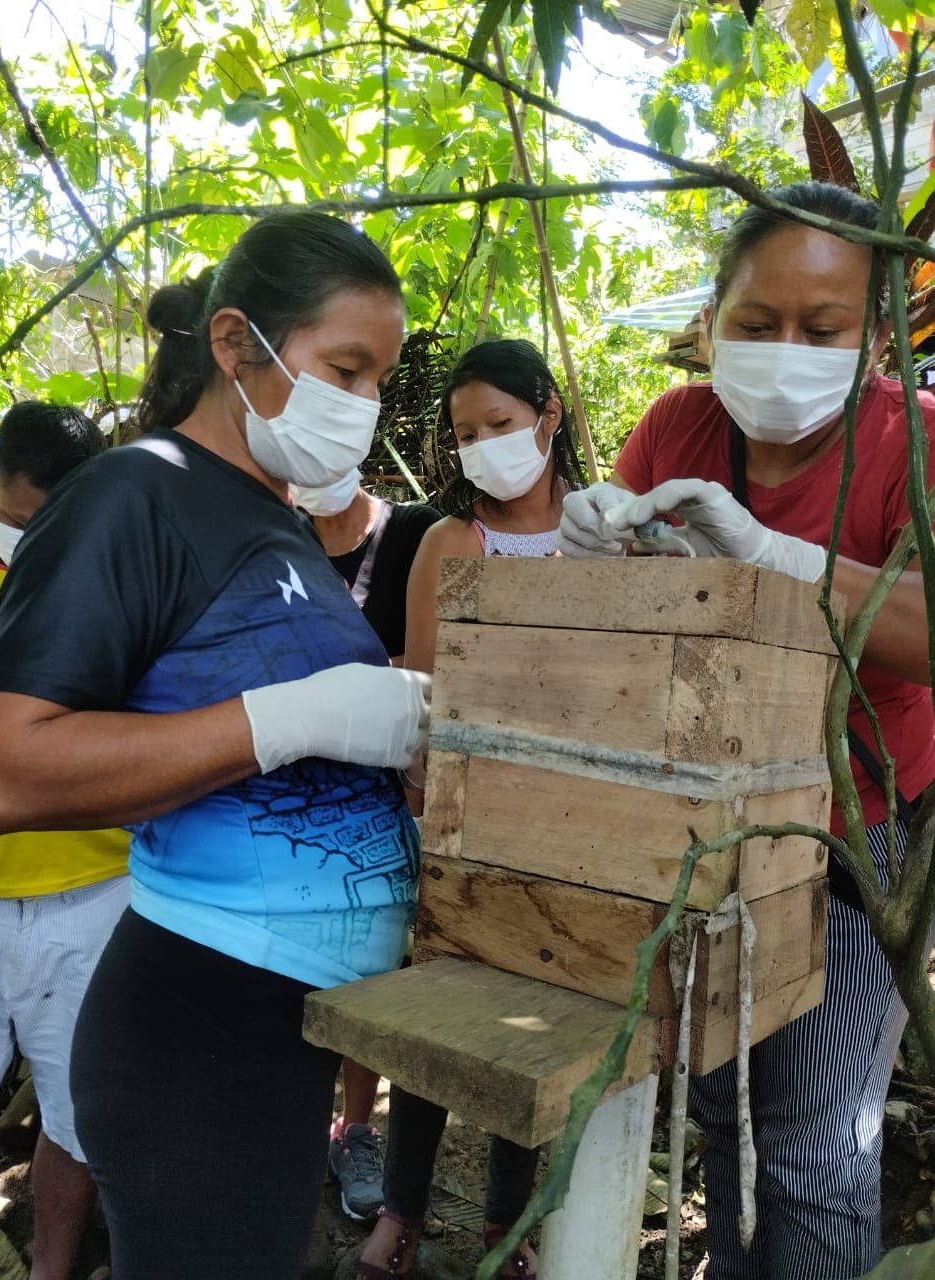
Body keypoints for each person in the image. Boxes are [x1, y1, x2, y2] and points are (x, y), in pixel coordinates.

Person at [0, 210, 431, 1280]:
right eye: (344, 370)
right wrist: (296, 719)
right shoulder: (138, 493)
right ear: (236, 346)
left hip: (278, 1028)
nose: (362, 407)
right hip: (194, 1022)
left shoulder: (277, 519)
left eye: (378, 383)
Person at [557, 181, 935, 1280]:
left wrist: (774, 557)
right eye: (755, 324)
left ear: (871, 334)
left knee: (817, 1145)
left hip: (852, 842)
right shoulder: (681, 425)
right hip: (706, 831)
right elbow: (622, 625)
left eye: (819, 330)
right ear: (713, 318)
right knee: (728, 1122)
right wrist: (600, 546)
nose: (783, 351)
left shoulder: (907, 438)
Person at [357, 338, 587, 1280]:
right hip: (463, 817)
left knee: (533, 1029)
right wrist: (425, 811)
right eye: (465, 433)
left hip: (578, 827)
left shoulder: (605, 529)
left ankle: (508, 1224)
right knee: (440, 1015)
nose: (484, 445)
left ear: (549, 415)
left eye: (500, 424)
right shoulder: (451, 542)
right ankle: (401, 1215)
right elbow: (422, 688)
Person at [0, 402, 130, 1280]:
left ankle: (50, 1269)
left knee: (75, 1118)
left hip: (98, 894)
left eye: (54, 525)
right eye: (20, 519)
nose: (34, 541)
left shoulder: (118, 591)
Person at [298, 470, 441, 1220]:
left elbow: (432, 669)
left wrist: (324, 691)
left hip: (394, 798)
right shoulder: (276, 541)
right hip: (296, 798)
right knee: (294, 973)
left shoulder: (415, 533)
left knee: (369, 974)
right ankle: (294, 1133)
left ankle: (355, 1128)